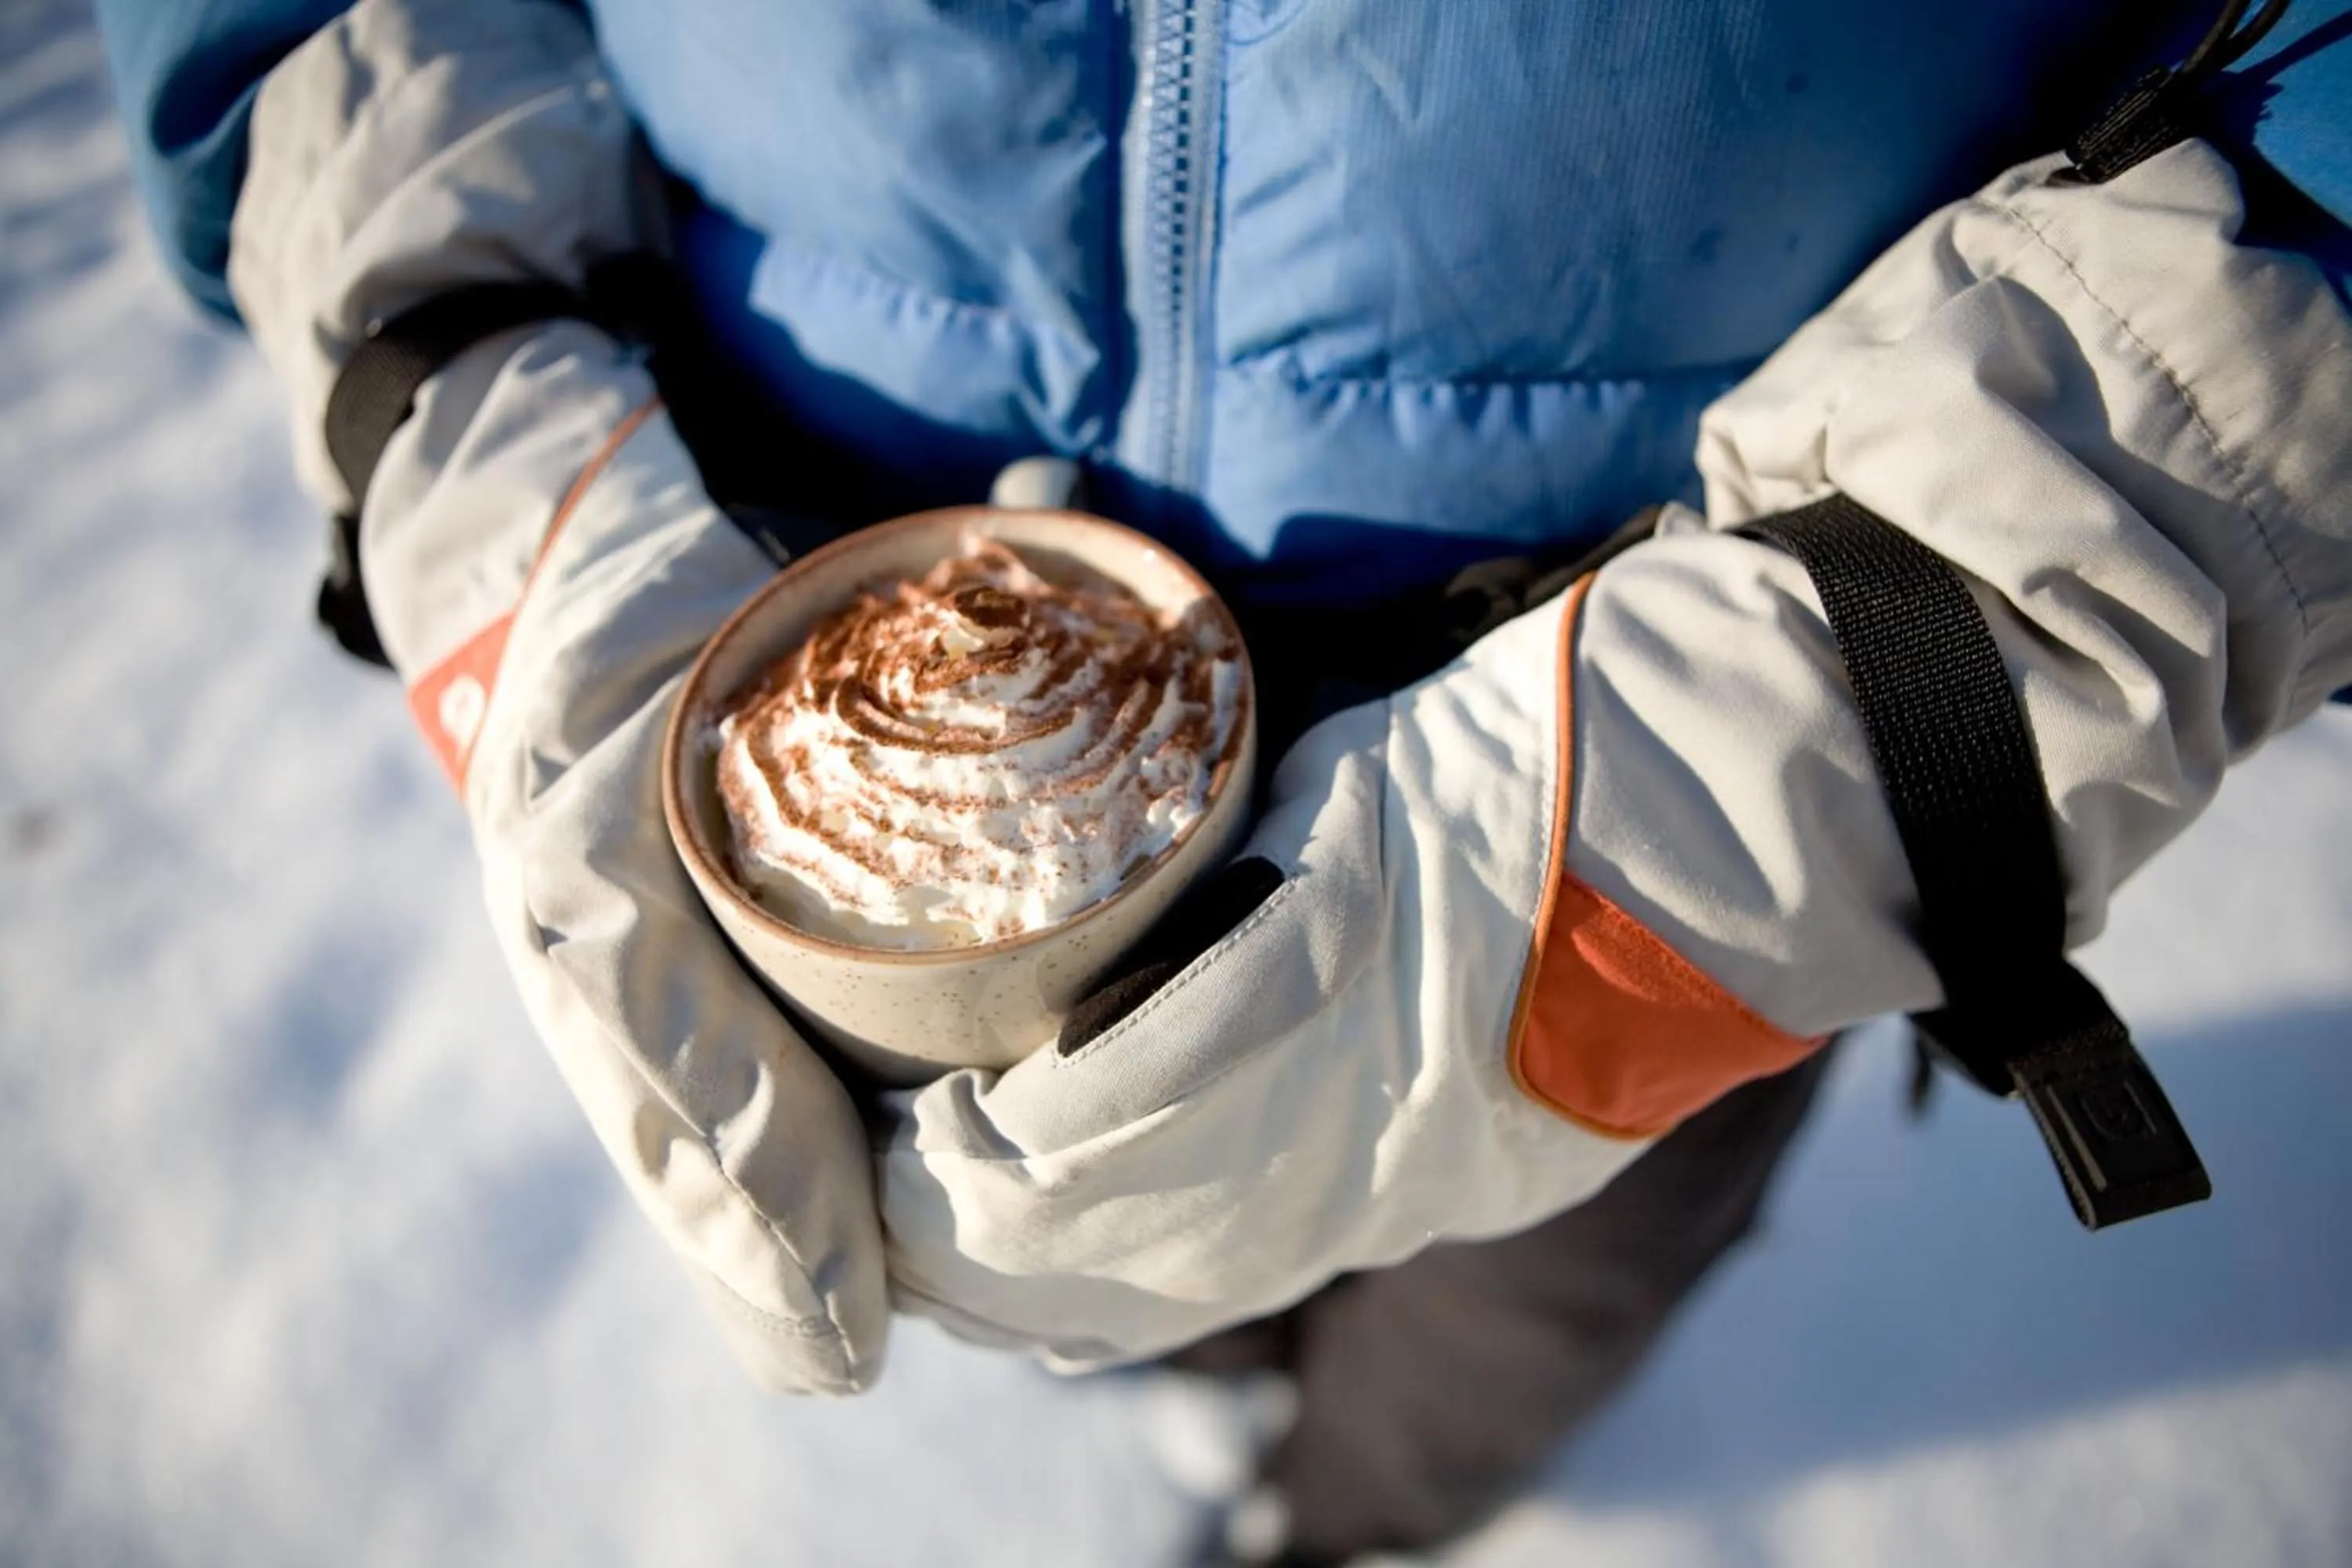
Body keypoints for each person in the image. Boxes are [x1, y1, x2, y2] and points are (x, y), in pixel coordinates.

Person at [96, 0, 2352, 1561]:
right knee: (1063, 1258)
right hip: (772, 579)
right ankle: (1182, 1397)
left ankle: (1356, 1524)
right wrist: (453, 342)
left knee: (1530, 1300)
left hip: (1661, 649)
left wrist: (1891, 677)